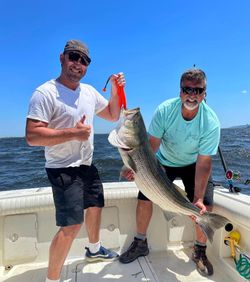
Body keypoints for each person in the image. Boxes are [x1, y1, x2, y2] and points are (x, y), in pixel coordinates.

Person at [26, 39, 125, 282]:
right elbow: (32, 136)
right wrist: (73, 133)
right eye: (73, 57)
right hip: (62, 169)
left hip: (86, 165)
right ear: (62, 58)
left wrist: (115, 90)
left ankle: (94, 249)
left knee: (95, 206)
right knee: (70, 227)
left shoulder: (89, 92)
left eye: (84, 61)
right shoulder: (45, 92)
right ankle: (52, 279)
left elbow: (113, 115)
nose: (78, 64)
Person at [119, 68, 220, 277]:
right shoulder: (165, 110)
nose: (192, 95)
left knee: (205, 204)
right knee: (145, 195)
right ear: (180, 91)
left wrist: (199, 198)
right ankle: (140, 242)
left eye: (198, 90)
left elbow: (203, 163)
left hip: (193, 164)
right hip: (165, 161)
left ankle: (200, 250)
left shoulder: (211, 122)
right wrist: (135, 169)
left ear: (204, 94)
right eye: (187, 89)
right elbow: (150, 147)